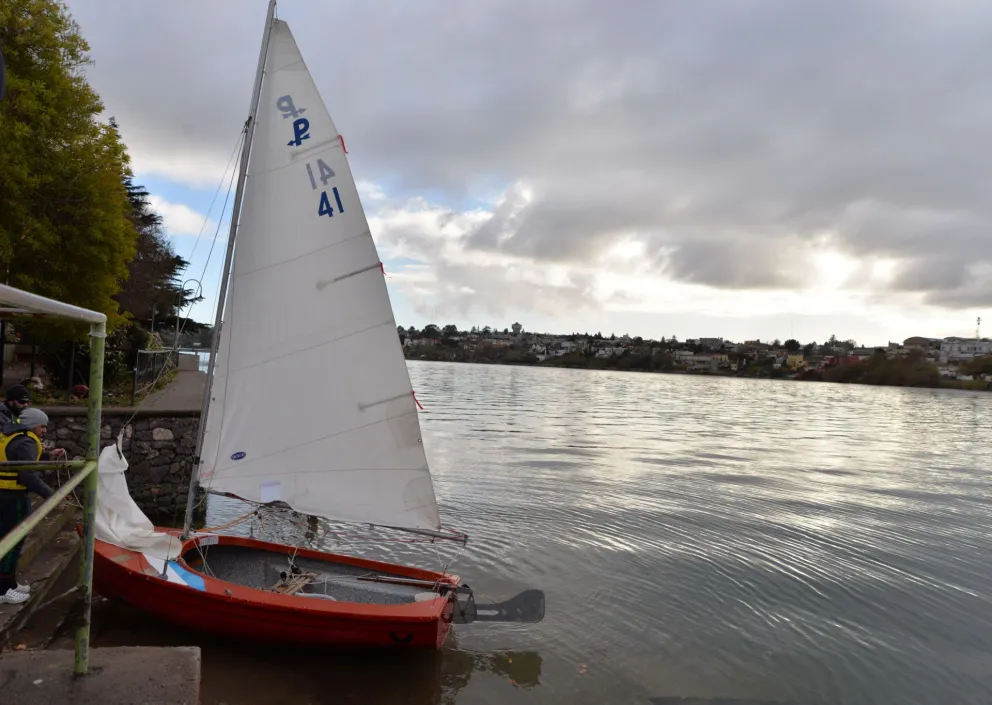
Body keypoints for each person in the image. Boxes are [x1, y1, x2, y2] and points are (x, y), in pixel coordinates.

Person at [0, 407, 61, 604]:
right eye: (42, 426)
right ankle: (2, 591)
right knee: (13, 542)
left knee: (8, 539)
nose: (44, 430)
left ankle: (9, 584)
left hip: (5, 495)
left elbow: (20, 459)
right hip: (13, 498)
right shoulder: (26, 441)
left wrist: (48, 455)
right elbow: (27, 475)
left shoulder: (13, 436)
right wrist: (51, 495)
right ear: (33, 424)